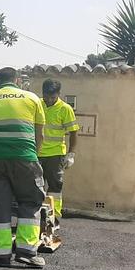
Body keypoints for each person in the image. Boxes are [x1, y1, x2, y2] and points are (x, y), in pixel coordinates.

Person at [0, 67, 46, 268]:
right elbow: (39, 133)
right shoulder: (31, 98)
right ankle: (26, 252)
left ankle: (0, 254)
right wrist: (35, 156)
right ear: (16, 80)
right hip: (25, 157)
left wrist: (0, 151)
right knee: (30, 201)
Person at [38, 79, 78, 223]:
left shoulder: (65, 109)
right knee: (36, 186)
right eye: (46, 96)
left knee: (55, 186)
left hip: (55, 155)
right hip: (37, 153)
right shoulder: (37, 104)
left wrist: (71, 154)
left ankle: (54, 216)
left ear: (59, 94)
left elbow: (73, 132)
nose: (49, 100)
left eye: (52, 97)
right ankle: (37, 215)